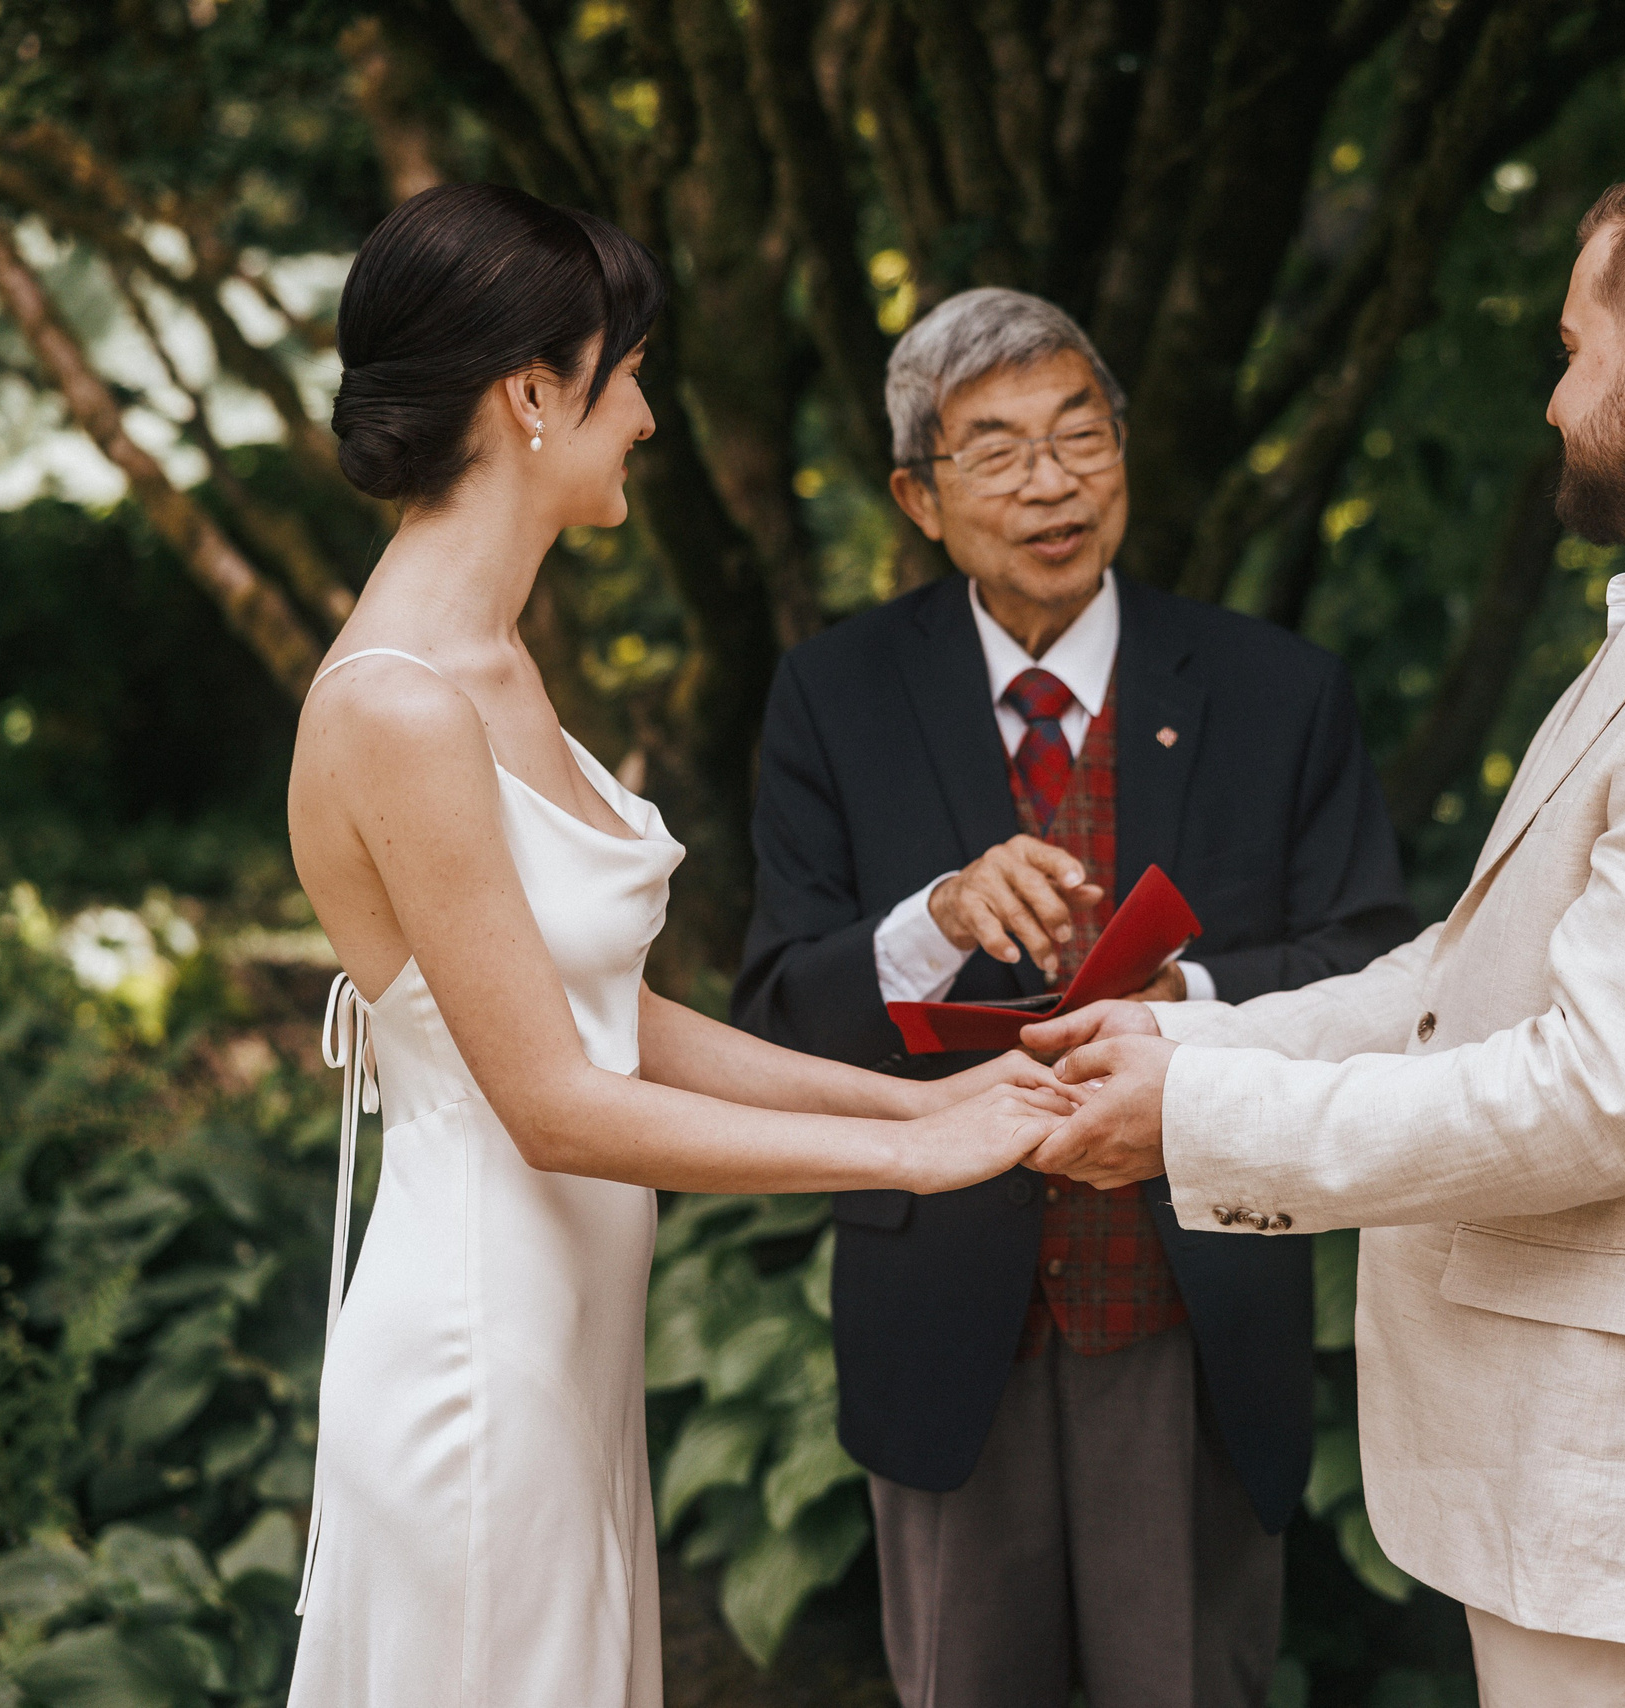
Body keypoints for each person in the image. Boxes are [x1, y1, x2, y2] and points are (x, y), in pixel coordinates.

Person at [1026, 161, 1625, 1707]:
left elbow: (1593, 1098)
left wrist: (1190, 1117)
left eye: (1574, 348)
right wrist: (1187, 1036)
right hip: (1579, 1496)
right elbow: (1468, 989)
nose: (1554, 396)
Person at [281, 184, 1072, 1708]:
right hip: (476, 1361)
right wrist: (911, 1164)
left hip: (565, 1346)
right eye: (623, 370)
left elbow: (612, 1020)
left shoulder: (496, 663)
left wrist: (925, 1102)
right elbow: (557, 1104)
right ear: (529, 395)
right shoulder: (396, 704)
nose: (643, 415)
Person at [733, 287, 1417, 1707]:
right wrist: (928, 925)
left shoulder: (1276, 691)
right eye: (995, 451)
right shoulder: (832, 698)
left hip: (1193, 1302)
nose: (1051, 482)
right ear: (919, 498)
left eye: (1078, 434)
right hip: (942, 1309)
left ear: (1123, 446)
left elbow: (1379, 971)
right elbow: (778, 1015)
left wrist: (1196, 1001)